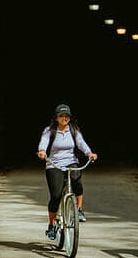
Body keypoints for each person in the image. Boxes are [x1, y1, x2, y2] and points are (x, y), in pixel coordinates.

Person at [37, 103, 98, 240]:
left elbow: (81, 143)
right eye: (61, 116)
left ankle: (79, 210)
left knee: (77, 181)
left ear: (70, 118)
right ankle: (52, 225)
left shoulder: (73, 130)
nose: (64, 118)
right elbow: (44, 142)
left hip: (71, 161)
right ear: (56, 117)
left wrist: (89, 153)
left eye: (67, 116)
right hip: (54, 164)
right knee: (56, 195)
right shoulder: (49, 131)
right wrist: (42, 151)